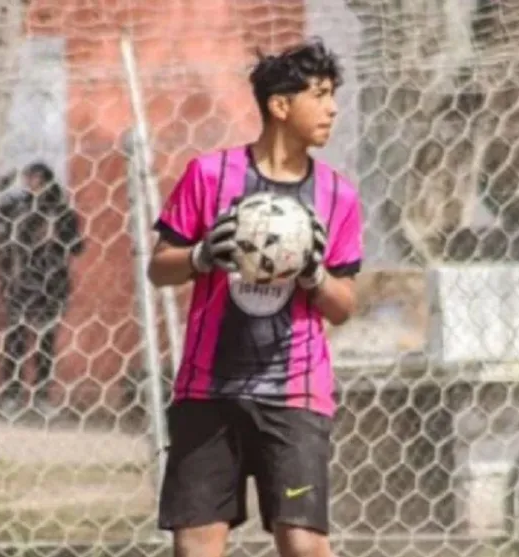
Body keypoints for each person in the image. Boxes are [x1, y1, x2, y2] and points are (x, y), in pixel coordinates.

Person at [147, 38, 361, 557]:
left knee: (306, 545)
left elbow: (345, 305)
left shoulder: (338, 194)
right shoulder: (210, 176)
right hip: (208, 389)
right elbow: (159, 267)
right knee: (197, 546)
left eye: (334, 95)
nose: (333, 108)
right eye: (321, 94)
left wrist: (314, 274)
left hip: (295, 394)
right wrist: (201, 256)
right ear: (280, 105)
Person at [0, 162, 84, 417]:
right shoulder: (16, 206)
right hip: (21, 281)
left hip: (52, 283)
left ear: (44, 180)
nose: (27, 183)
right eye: (25, 178)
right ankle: (11, 394)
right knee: (15, 341)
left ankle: (42, 396)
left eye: (32, 178)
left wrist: (56, 238)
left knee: (46, 342)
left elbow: (78, 246)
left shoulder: (61, 211)